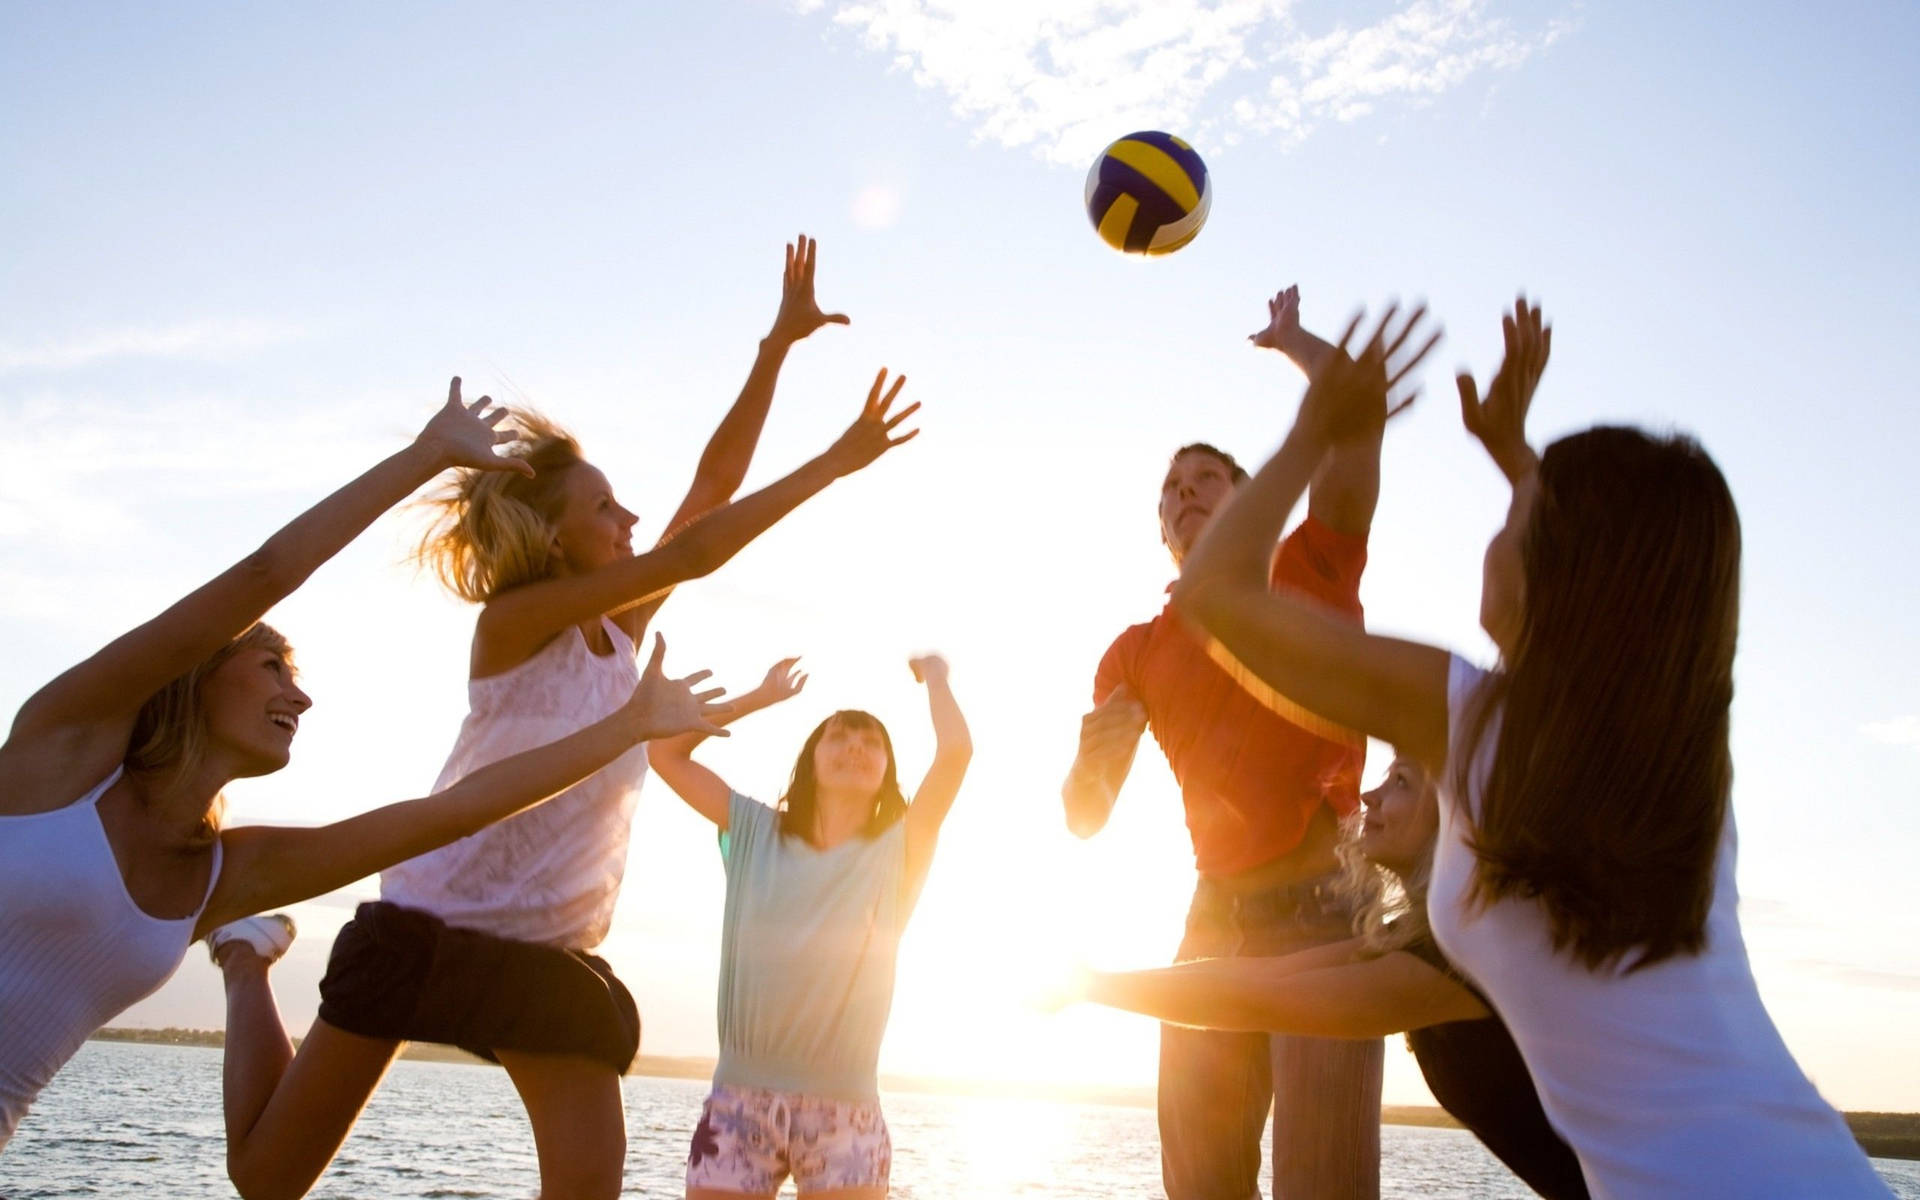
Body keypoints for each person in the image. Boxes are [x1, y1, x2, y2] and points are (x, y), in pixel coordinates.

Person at [211, 237, 923, 1200]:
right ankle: (248, 965)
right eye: (605, 506)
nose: (631, 517)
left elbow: (704, 496)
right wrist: (833, 461)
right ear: (555, 536)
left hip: (545, 955)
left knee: (590, 1184)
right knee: (268, 1181)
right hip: (428, 924)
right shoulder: (512, 627)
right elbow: (695, 549)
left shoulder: (620, 639)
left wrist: (776, 349)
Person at [1171, 298, 1893, 1197]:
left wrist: (1316, 428)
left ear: (1565, 567)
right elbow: (1624, 576)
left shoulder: (1470, 721)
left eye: (1520, 515)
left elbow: (1212, 597)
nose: (1498, 527)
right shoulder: (1680, 762)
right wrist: (1515, 456)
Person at [0, 384, 731, 1152]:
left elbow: (458, 810)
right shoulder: (62, 749)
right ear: (199, 669)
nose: (301, 694)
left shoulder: (225, 875)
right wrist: (425, 456)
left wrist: (630, 727)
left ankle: (245, 959)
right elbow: (264, 573)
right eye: (273, 665)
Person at [1061, 284, 1385, 1199]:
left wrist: (1299, 347)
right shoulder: (1132, 653)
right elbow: (1085, 820)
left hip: (1328, 903)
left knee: (1324, 1185)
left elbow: (1354, 438)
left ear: (1251, 503)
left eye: (1207, 479)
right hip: (1213, 920)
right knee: (1200, 1185)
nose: (1185, 492)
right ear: (1161, 529)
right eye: (1171, 487)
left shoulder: (1306, 571)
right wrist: (1089, 764)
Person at [1062, 756, 1590, 1200]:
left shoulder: (1466, 956)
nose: (1370, 794)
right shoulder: (1418, 941)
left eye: (1401, 782)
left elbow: (1258, 1000)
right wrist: (1092, 983)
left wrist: (1092, 987)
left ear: (1454, 821)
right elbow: (1261, 977)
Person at [649, 654, 972, 1200]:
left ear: (887, 773)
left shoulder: (900, 852)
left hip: (846, 1110)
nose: (856, 747)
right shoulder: (752, 828)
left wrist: (937, 676)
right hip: (739, 1100)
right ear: (811, 761)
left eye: (872, 743)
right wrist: (760, 696)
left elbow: (956, 753)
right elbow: (666, 753)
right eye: (840, 737)